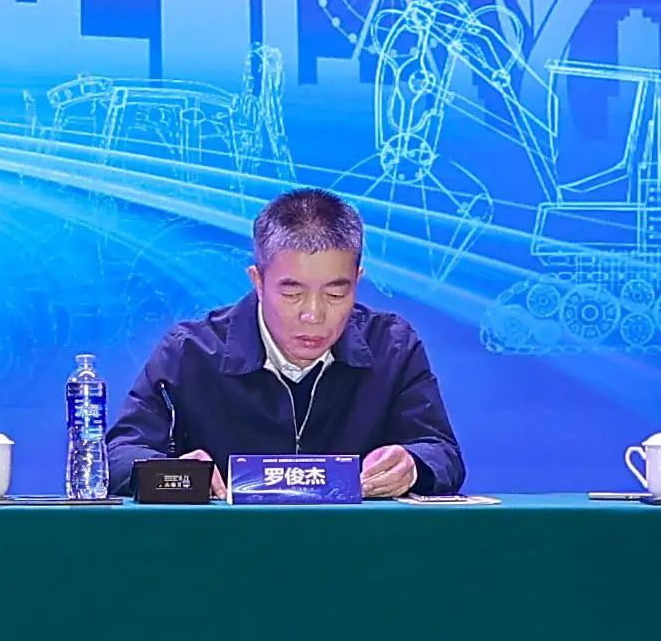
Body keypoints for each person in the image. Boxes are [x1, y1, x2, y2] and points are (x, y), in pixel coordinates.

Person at [102, 186, 465, 498]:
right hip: (221, 548)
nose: (313, 314)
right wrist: (171, 472)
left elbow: (442, 453)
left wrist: (412, 464)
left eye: (336, 294)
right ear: (258, 282)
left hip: (355, 548)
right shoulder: (191, 351)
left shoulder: (391, 347)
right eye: (292, 293)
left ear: (357, 280)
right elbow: (118, 457)